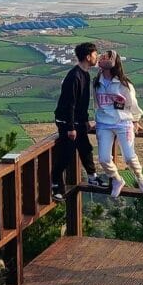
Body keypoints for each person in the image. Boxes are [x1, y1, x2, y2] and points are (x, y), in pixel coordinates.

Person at [94, 49, 143, 199]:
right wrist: (96, 119)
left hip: (123, 123)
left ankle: (139, 176)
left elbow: (133, 104)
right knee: (104, 159)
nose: (103, 58)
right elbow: (96, 103)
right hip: (103, 124)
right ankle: (117, 179)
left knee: (129, 157)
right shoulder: (97, 82)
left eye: (108, 57)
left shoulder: (124, 84)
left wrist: (136, 120)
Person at [51, 40, 102, 197]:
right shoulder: (75, 76)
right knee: (66, 153)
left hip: (76, 121)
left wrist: (85, 121)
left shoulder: (84, 74)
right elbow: (70, 104)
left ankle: (92, 177)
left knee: (85, 148)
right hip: (66, 121)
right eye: (95, 54)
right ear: (88, 57)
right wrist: (71, 127)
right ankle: (55, 185)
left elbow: (82, 104)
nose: (97, 57)